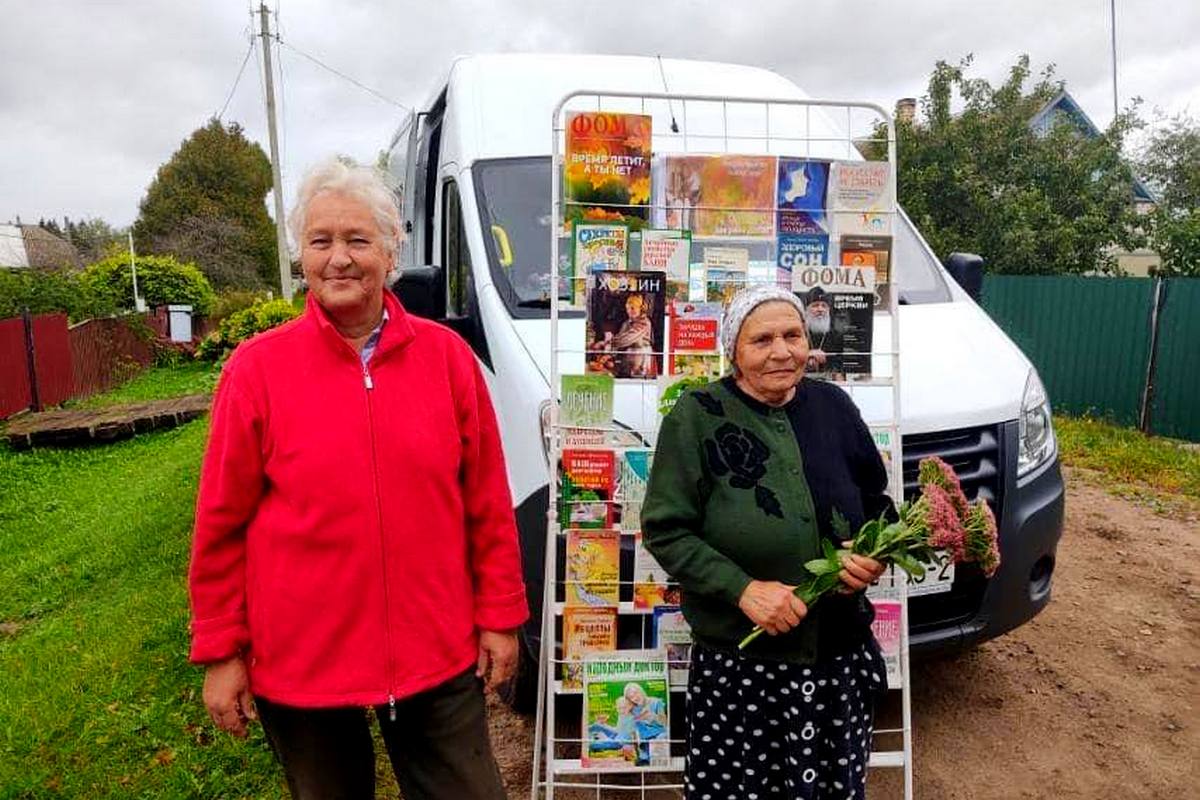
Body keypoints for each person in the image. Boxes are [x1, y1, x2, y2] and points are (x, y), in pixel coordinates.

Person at [188, 157, 528, 800]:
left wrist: (501, 614)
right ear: (302, 256)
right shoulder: (257, 370)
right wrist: (221, 651)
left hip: (436, 646)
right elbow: (220, 524)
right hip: (302, 658)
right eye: (321, 242)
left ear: (391, 248)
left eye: (357, 239)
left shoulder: (447, 358)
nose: (338, 258)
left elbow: (485, 499)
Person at [641, 283, 892, 800]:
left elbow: (877, 500)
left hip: (836, 659)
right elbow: (667, 530)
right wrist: (743, 590)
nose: (782, 351)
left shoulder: (834, 407)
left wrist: (873, 553)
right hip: (743, 672)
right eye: (762, 340)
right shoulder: (697, 416)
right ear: (733, 350)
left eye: (793, 335)